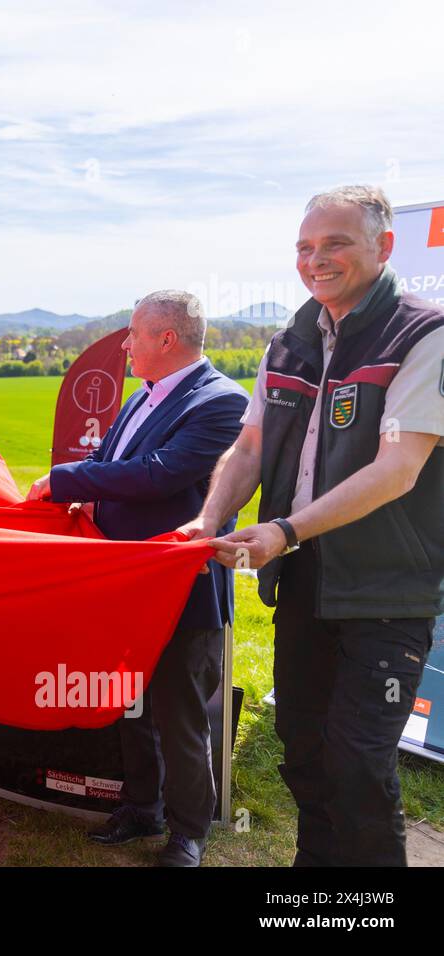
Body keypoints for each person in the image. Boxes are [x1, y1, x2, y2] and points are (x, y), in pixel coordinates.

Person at [186, 186, 444, 867]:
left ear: (383, 248)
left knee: (359, 764)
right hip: (304, 586)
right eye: (305, 247)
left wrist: (286, 531)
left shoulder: (425, 334)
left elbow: (398, 469)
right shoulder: (291, 342)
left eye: (335, 244)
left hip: (386, 593)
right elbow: (248, 447)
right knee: (304, 752)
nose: (316, 259)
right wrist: (210, 518)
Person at [27, 290, 248, 866]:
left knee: (180, 716)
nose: (124, 345)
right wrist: (87, 504)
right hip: (124, 587)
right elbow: (110, 465)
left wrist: (65, 481)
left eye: (133, 334)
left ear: (167, 339)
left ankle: (188, 833)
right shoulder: (141, 397)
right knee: (133, 707)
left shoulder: (223, 402)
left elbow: (161, 475)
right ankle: (142, 808)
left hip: (182, 593)